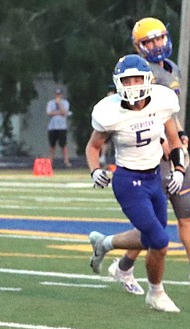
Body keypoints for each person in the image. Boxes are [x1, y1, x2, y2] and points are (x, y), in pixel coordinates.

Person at [86, 54, 184, 312]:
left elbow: (174, 141)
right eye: (126, 81)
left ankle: (105, 244)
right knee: (160, 242)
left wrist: (179, 170)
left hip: (154, 177)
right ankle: (156, 292)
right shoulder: (110, 111)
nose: (132, 85)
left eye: (136, 79)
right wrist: (95, 171)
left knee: (151, 234)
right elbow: (93, 146)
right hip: (129, 181)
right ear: (118, 83)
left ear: (147, 80)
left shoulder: (162, 101)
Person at [104, 18, 190, 293]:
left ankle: (123, 267)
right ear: (138, 46)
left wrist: (180, 136)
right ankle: (121, 263)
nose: (156, 45)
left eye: (159, 38)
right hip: (152, 158)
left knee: (173, 221)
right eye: (149, 41)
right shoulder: (143, 74)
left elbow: (169, 115)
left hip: (171, 153)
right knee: (163, 225)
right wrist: (167, 143)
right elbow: (142, 115)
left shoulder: (171, 68)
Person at [46, 88, 71, 166]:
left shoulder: (65, 103)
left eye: (59, 94)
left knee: (63, 145)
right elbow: (49, 113)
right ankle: (50, 161)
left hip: (62, 127)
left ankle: (66, 161)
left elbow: (64, 112)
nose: (58, 96)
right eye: (57, 94)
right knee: (52, 145)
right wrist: (59, 112)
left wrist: (59, 104)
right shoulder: (50, 103)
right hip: (52, 127)